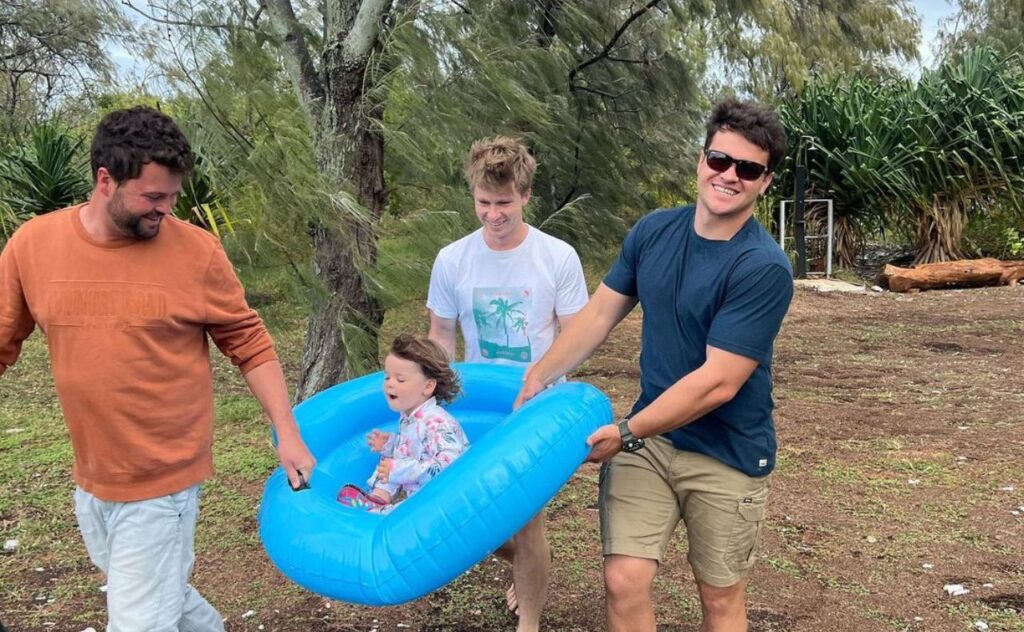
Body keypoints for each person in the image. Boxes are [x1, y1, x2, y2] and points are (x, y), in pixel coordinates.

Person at [0, 106, 315, 631]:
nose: (167, 209)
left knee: (139, 620)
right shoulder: (33, 245)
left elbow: (249, 343)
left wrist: (287, 432)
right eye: (153, 197)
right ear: (105, 180)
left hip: (163, 478)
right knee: (154, 591)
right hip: (93, 477)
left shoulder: (196, 252)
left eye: (172, 196)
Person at [515, 98, 794, 632]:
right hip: (652, 441)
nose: (728, 176)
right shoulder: (653, 233)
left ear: (765, 182)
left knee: (718, 598)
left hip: (726, 452)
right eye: (720, 160)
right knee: (623, 581)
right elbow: (599, 314)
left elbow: (718, 383)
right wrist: (540, 373)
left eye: (748, 169)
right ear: (701, 159)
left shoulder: (763, 268)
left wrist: (626, 429)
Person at [427, 136, 589, 632]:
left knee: (525, 515)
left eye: (503, 203)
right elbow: (440, 336)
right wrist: (429, 400)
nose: (493, 215)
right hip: (476, 405)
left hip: (536, 409)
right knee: (478, 515)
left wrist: (552, 390)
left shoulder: (556, 257)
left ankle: (531, 622)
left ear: (525, 196)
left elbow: (577, 335)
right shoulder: (452, 260)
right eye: (483, 203)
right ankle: (528, 567)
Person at [337, 334, 468, 511]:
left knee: (396, 471)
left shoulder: (437, 424)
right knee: (392, 458)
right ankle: (378, 497)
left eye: (400, 379)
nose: (390, 384)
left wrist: (399, 469)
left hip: (440, 500)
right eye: (387, 377)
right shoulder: (411, 416)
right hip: (421, 490)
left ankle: (377, 512)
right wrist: (391, 444)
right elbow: (417, 449)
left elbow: (449, 467)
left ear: (428, 387)